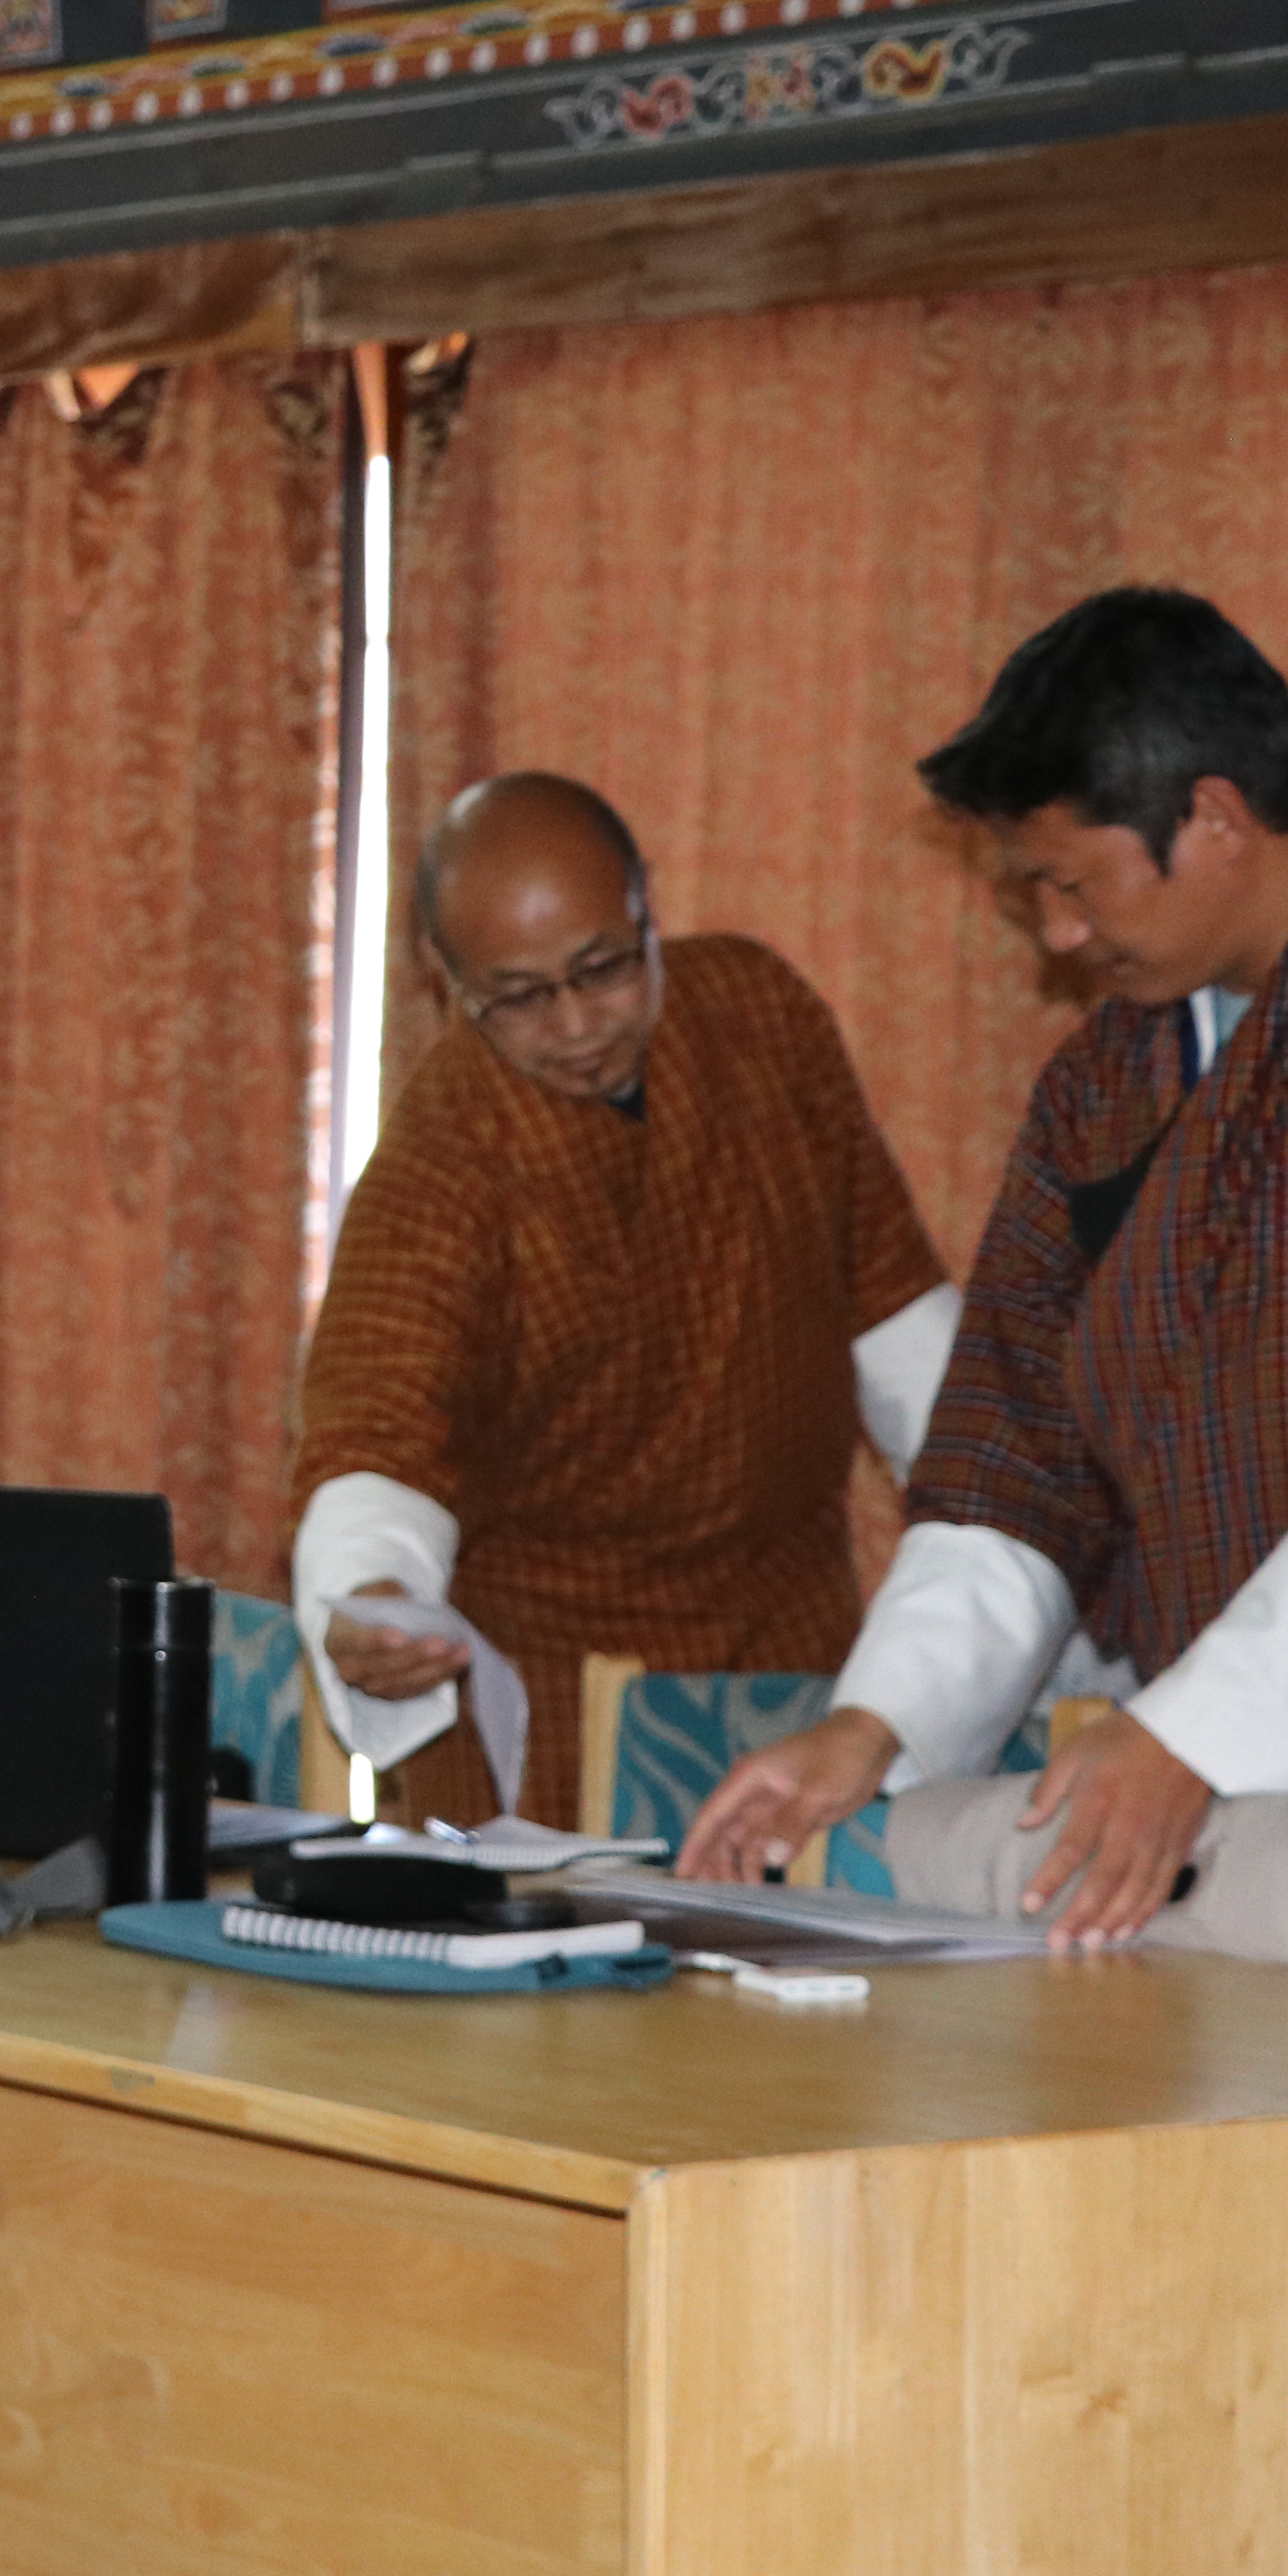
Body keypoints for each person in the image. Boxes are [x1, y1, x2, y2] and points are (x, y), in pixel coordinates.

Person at [685, 589, 1288, 1951]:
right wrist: (874, 1727)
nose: (1059, 936)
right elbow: (1015, 1454)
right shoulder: (1102, 1089)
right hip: (1240, 1816)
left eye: (1071, 884)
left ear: (1216, 817)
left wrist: (1200, 1731)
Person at [291, 773, 957, 1828]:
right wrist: (374, 1598)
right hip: (552, 1697)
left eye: (603, 968)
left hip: (790, 1655)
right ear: (444, 979)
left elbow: (893, 1309)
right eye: (519, 997)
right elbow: (377, 1433)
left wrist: (1007, 1533)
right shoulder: (443, 1161)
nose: (575, 1026)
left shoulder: (761, 1016)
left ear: (647, 905)